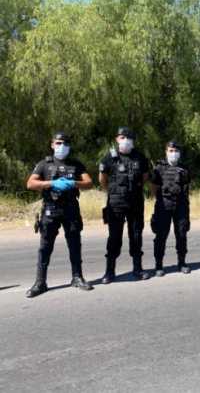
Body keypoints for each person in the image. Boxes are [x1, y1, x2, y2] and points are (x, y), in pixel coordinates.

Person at [25, 132, 94, 298]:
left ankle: (77, 277)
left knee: (75, 245)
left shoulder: (76, 164)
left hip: (71, 209)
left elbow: (89, 183)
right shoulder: (44, 164)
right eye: (58, 142)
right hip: (51, 209)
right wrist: (51, 183)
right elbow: (30, 184)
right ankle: (40, 282)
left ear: (69, 146)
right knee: (45, 247)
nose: (61, 146)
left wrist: (74, 183)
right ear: (52, 144)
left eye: (65, 143)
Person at [99, 127, 151, 283]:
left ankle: (138, 269)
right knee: (114, 236)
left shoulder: (140, 157)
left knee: (136, 235)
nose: (126, 140)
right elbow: (102, 179)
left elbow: (145, 177)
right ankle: (109, 271)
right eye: (122, 137)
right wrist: (113, 191)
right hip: (116, 203)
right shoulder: (109, 157)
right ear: (117, 139)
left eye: (129, 137)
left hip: (135, 202)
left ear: (133, 140)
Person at [150, 141, 191, 277]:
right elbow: (154, 187)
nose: (173, 153)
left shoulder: (184, 168)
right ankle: (159, 265)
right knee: (161, 235)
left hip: (181, 205)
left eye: (176, 151)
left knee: (181, 234)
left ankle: (182, 263)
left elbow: (187, 186)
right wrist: (160, 199)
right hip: (164, 205)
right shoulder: (159, 168)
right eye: (171, 150)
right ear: (166, 152)